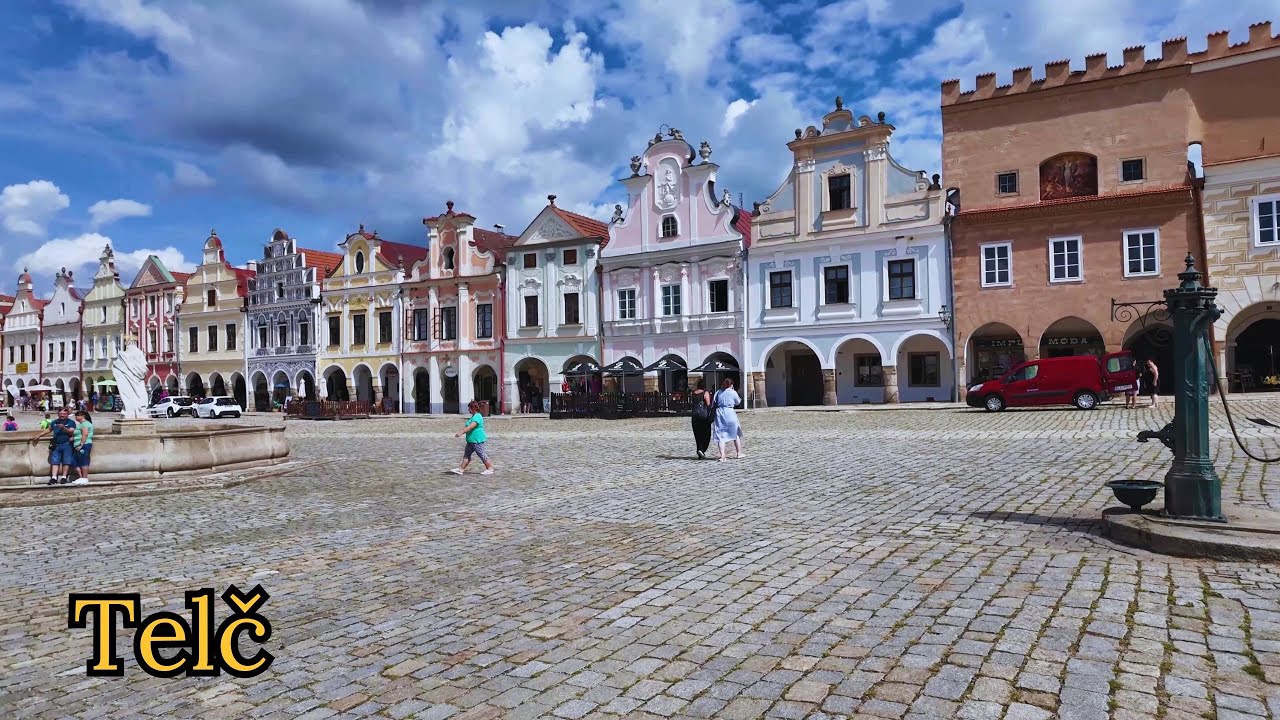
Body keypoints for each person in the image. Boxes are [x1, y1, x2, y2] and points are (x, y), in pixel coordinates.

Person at [35, 407, 78, 485]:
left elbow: (72, 432)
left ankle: (64, 477)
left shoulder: (71, 422)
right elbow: (49, 429)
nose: (62, 415)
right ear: (58, 414)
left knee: (66, 461)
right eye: (61, 414)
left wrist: (64, 428)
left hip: (67, 444)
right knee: (54, 461)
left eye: (64, 414)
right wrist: (39, 435)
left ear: (67, 414)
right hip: (56, 444)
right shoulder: (54, 422)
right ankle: (54, 478)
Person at [451, 400, 494, 475]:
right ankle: (461, 469)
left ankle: (490, 468)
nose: (468, 410)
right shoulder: (473, 416)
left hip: (477, 440)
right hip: (471, 440)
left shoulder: (477, 416)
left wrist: (461, 432)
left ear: (473, 408)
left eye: (469, 408)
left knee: (482, 454)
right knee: (466, 456)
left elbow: (471, 427)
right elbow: (468, 425)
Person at [712, 377, 744, 461]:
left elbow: (713, 402)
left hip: (720, 413)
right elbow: (738, 402)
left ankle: (722, 456)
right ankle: (739, 453)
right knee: (735, 433)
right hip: (730, 412)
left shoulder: (718, 392)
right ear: (731, 385)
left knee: (721, 435)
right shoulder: (733, 392)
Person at [690, 379, 714, 459]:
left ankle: (699, 449)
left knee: (698, 435)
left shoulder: (693, 393)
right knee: (706, 434)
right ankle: (702, 449)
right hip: (703, 416)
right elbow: (708, 404)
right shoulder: (705, 393)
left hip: (695, 416)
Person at [72, 410, 93, 485]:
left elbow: (85, 434)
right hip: (78, 444)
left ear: (82, 416)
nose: (76, 417)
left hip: (84, 444)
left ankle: (84, 477)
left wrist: (81, 444)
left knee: (83, 460)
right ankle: (81, 477)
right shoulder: (81, 424)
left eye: (77, 415)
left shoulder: (85, 424)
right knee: (75, 461)